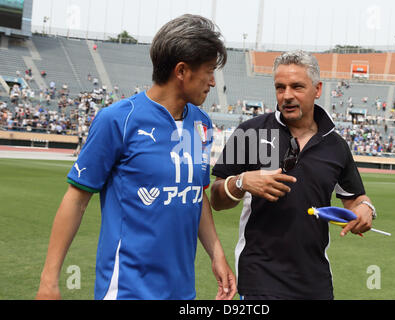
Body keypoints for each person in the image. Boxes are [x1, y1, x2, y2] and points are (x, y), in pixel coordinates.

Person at [36, 14, 236, 300]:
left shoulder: (201, 123)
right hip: (127, 290)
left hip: (182, 292)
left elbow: (195, 192)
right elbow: (76, 200)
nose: (213, 82)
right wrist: (49, 280)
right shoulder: (118, 120)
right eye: (208, 71)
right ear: (182, 71)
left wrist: (216, 252)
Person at [210, 50, 376, 300]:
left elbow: (355, 199)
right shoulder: (250, 132)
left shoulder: (336, 146)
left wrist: (367, 210)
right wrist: (242, 182)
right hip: (259, 281)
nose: (287, 96)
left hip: (315, 284)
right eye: (280, 87)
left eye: (297, 87)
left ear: (317, 89)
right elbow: (216, 198)